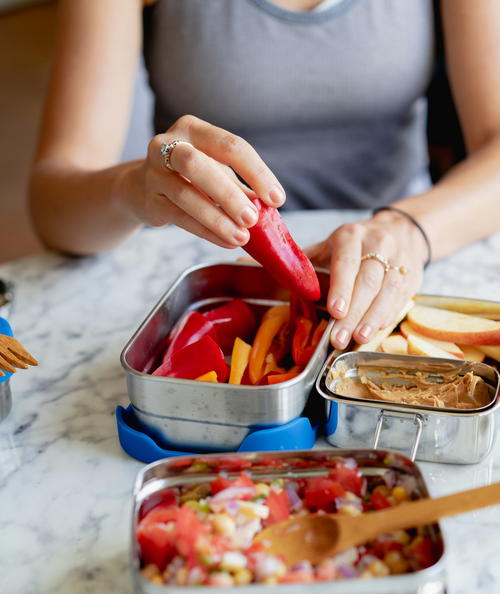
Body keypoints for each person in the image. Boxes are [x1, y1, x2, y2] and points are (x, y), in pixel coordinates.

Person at [29, 0, 500, 351]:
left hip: (402, 253)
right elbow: (54, 209)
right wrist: (132, 187)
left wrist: (408, 228)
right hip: (203, 266)